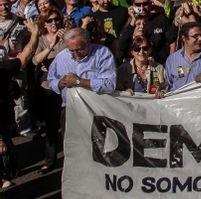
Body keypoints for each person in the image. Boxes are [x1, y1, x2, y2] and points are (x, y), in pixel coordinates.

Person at [0, 17, 38, 188]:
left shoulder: (3, 69)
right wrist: (35, 33)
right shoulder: (3, 69)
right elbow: (26, 55)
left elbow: (23, 58)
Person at [30, 11, 65, 172]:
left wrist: (66, 39)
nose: (54, 22)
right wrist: (52, 45)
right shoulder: (42, 40)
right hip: (48, 87)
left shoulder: (66, 36)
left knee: (68, 125)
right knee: (51, 127)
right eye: (50, 20)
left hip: (67, 86)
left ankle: (72, 160)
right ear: (44, 24)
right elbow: (36, 60)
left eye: (57, 19)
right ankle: (50, 160)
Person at [47, 27, 117, 106]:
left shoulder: (102, 54)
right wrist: (60, 83)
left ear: (88, 43)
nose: (76, 54)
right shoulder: (61, 57)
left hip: (96, 108)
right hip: (70, 108)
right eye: (72, 51)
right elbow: (51, 80)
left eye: (80, 49)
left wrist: (79, 82)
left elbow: (109, 84)